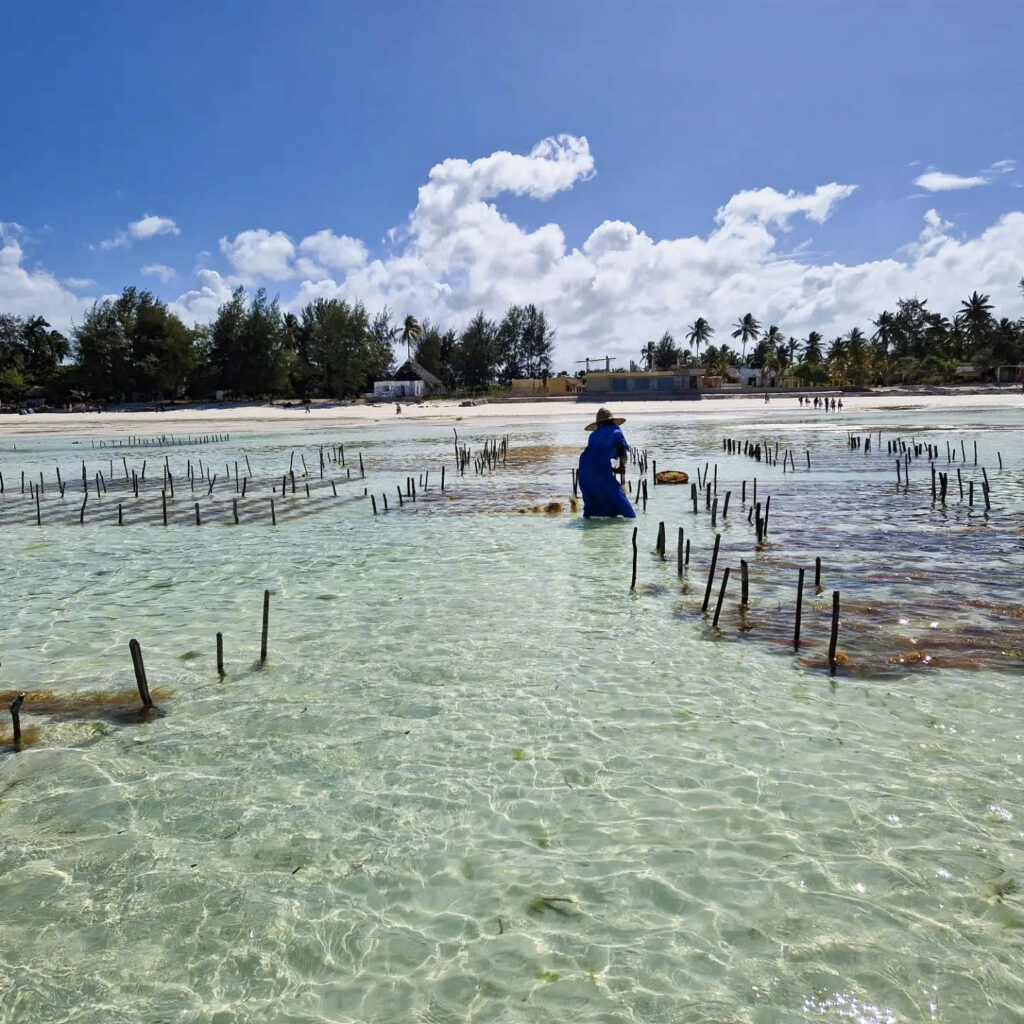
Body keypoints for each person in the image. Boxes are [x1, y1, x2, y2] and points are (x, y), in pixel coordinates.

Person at [577, 408, 635, 519]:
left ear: (599, 423)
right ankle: (631, 519)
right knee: (616, 494)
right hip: (597, 464)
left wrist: (611, 469)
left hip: (584, 465)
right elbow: (621, 450)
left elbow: (595, 455)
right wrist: (622, 467)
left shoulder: (593, 434)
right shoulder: (616, 431)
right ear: (612, 421)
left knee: (591, 494)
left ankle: (589, 523)